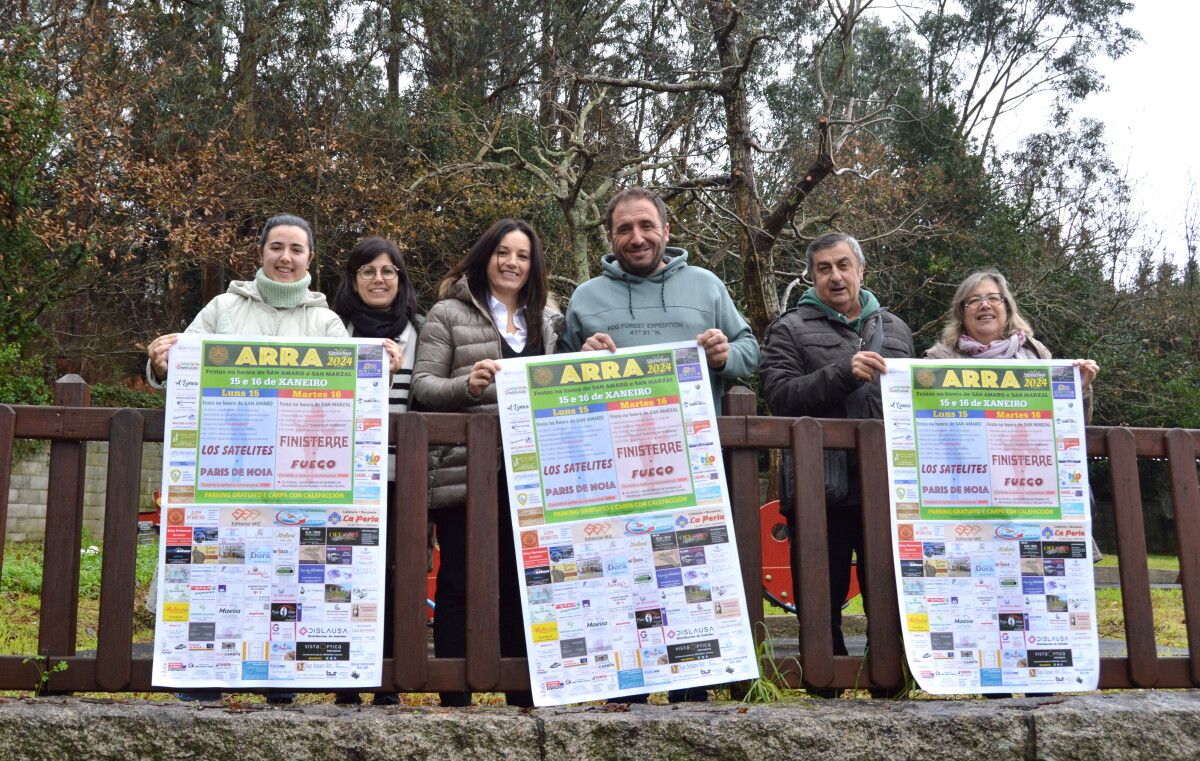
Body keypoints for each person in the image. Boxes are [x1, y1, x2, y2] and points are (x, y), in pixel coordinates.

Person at [145, 215, 397, 704]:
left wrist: (378, 371)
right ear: (261, 252)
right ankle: (202, 683)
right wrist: (160, 363)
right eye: (277, 247)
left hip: (296, 480)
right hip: (225, 474)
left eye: (296, 249)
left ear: (310, 258)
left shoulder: (324, 322)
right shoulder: (221, 308)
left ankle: (279, 681)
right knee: (214, 574)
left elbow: (348, 396)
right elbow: (180, 367)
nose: (286, 257)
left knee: (285, 578)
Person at [559, 186, 759, 702]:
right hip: (612, 472)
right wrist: (580, 356)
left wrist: (722, 355)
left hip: (689, 468)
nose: (637, 237)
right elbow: (557, 377)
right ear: (610, 237)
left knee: (686, 578)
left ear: (667, 231)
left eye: (647, 225)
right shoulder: (585, 297)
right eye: (624, 228)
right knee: (617, 579)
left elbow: (750, 349)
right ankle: (620, 692)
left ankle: (690, 693)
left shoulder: (707, 285)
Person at [411, 218, 564, 708]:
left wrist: (587, 354)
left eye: (522, 255)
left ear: (532, 265)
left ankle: (524, 691)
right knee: (458, 575)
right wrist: (467, 386)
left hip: (530, 471)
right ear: (484, 256)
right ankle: (454, 692)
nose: (512, 262)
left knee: (526, 577)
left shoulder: (548, 319)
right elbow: (422, 386)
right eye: (502, 252)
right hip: (463, 469)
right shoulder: (448, 313)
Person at [758, 232, 914, 697]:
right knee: (819, 593)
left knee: (886, 591)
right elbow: (779, 396)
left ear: (861, 270)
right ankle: (826, 686)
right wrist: (843, 372)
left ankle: (890, 684)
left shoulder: (896, 328)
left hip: (884, 488)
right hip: (816, 487)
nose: (836, 276)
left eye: (844, 265)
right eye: (824, 268)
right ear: (812, 276)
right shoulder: (789, 328)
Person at [329, 235, 424, 706]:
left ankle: (388, 678)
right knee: (342, 574)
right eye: (368, 271)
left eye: (389, 271)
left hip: (397, 478)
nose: (379, 279)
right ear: (353, 279)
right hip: (338, 480)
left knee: (396, 574)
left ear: (401, 280)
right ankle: (347, 678)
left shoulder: (419, 333)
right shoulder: (331, 330)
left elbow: (427, 398)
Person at [924, 269, 1099, 416]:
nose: (984, 305)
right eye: (974, 300)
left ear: (1007, 308)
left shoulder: (1037, 354)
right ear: (961, 313)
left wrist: (1077, 389)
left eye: (993, 298)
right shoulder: (937, 360)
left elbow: (1069, 423)